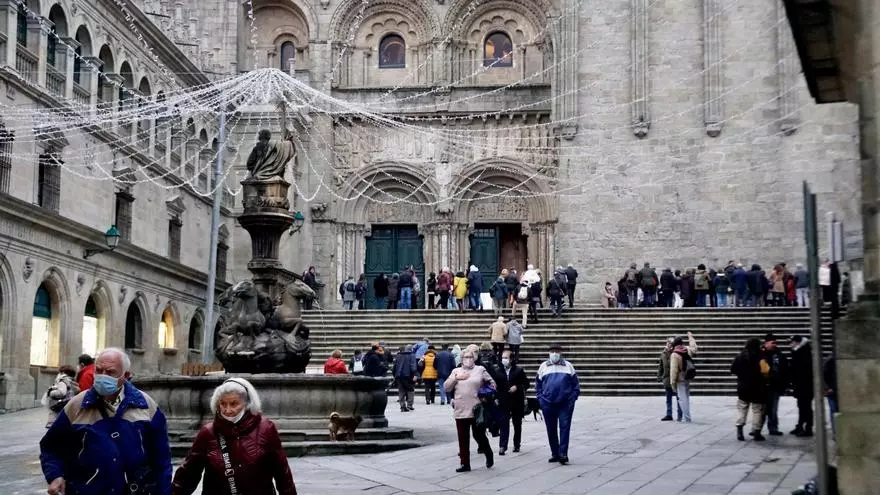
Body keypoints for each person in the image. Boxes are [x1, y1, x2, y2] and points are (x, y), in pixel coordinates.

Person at [40, 348, 172, 495]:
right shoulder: (77, 405)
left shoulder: (146, 406)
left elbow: (162, 459)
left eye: (110, 372)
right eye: (99, 371)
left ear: (126, 376)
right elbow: (51, 446)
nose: (103, 376)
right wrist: (55, 475)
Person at [171, 378, 297, 495]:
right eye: (223, 404)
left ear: (247, 403)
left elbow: (282, 473)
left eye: (234, 404)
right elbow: (188, 474)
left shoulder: (266, 429)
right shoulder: (208, 433)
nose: (228, 410)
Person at [444, 348, 496, 472]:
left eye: (470, 357)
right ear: (461, 359)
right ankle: (465, 463)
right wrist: (456, 378)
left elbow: (492, 384)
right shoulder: (456, 371)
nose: (468, 359)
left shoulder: (480, 370)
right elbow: (446, 387)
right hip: (461, 408)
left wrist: (485, 394)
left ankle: (488, 453)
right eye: (466, 357)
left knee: (479, 435)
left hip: (476, 408)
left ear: (474, 358)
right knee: (462, 437)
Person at [535, 343, 579, 465]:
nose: (555, 354)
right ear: (549, 353)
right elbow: (538, 384)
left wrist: (573, 398)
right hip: (548, 403)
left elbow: (575, 384)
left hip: (565, 403)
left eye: (557, 351)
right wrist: (540, 398)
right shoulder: (543, 366)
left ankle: (563, 453)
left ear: (561, 352)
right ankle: (555, 453)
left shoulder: (568, 366)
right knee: (551, 429)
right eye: (552, 351)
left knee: (565, 427)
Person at [731, 338, 768, 441]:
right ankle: (756, 432)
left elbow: (733, 369)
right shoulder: (761, 357)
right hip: (757, 387)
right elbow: (765, 371)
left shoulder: (740, 356)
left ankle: (740, 430)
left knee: (742, 408)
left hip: (743, 387)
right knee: (757, 410)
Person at [500, 351, 529, 454]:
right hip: (504, 400)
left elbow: (526, 384)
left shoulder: (518, 370)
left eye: (506, 358)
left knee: (517, 423)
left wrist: (517, 387)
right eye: (503, 357)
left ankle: (517, 444)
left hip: (516, 400)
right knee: (504, 423)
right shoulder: (499, 370)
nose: (504, 360)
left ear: (511, 359)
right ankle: (503, 446)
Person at [761, 333, 788, 435]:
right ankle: (757, 428)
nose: (774, 345)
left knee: (773, 408)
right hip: (762, 386)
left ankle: (773, 428)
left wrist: (784, 383)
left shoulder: (778, 354)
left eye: (775, 343)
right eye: (772, 343)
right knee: (761, 409)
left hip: (775, 386)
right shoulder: (760, 353)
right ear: (766, 343)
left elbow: (784, 368)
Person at [669, 332, 698, 422]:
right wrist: (690, 337)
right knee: (687, 397)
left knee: (682, 399)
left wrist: (672, 383)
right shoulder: (686, 349)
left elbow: (673, 371)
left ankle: (687, 417)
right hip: (688, 376)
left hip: (680, 378)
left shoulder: (674, 354)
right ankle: (687, 415)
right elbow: (694, 348)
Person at [790, 335, 814, 436]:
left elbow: (801, 369)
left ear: (797, 343)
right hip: (801, 384)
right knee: (802, 406)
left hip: (805, 385)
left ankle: (808, 428)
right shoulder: (799, 351)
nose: (791, 344)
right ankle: (800, 426)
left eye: (792, 342)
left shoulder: (803, 352)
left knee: (806, 407)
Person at [658, 338, 682, 421]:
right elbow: (661, 366)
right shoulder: (663, 353)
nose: (668, 345)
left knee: (678, 398)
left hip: (675, 379)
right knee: (668, 399)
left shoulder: (676, 353)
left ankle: (680, 415)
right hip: (667, 379)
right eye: (667, 343)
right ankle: (669, 414)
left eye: (670, 343)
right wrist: (659, 376)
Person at [394, 344, 418, 412]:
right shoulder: (412, 355)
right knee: (410, 390)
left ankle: (402, 406)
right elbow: (413, 366)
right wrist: (415, 374)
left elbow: (395, 366)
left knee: (401, 391)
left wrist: (395, 375)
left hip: (399, 375)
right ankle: (409, 405)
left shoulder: (398, 355)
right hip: (408, 375)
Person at [823, 355, 838, 437]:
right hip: (833, 390)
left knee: (833, 411)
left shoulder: (829, 361)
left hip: (832, 390)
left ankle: (835, 432)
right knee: (834, 410)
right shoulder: (830, 361)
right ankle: (835, 432)